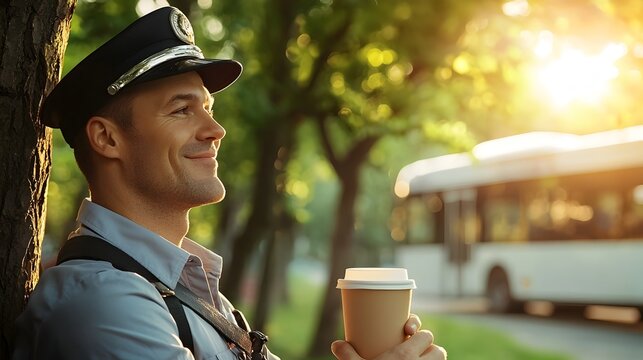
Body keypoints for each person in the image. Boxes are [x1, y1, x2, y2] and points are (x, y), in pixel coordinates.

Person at [12, 6, 446, 360]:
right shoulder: (102, 303)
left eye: (208, 107)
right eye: (182, 111)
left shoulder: (188, 291)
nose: (215, 130)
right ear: (108, 138)